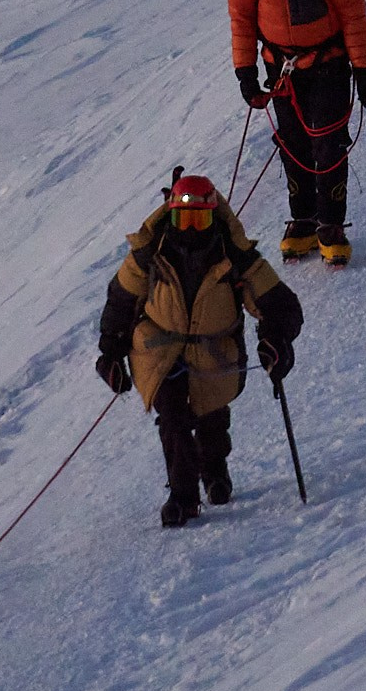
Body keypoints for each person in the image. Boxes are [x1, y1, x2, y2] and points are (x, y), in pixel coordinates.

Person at [94, 173, 303, 528]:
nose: (190, 230)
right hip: (159, 351)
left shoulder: (234, 254)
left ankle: (215, 471)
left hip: (214, 350)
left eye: (199, 220)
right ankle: (183, 496)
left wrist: (276, 340)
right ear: (171, 215)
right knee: (173, 419)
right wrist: (111, 351)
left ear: (212, 218)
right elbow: (121, 299)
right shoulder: (150, 252)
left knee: (211, 416)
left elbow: (281, 306)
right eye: (183, 219)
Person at [227, 0, 366, 267]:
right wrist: (245, 72)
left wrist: (364, 70)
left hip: (327, 62)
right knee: (292, 143)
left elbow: (353, 14)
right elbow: (241, 21)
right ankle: (303, 219)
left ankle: (331, 225)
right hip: (278, 68)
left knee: (327, 143)